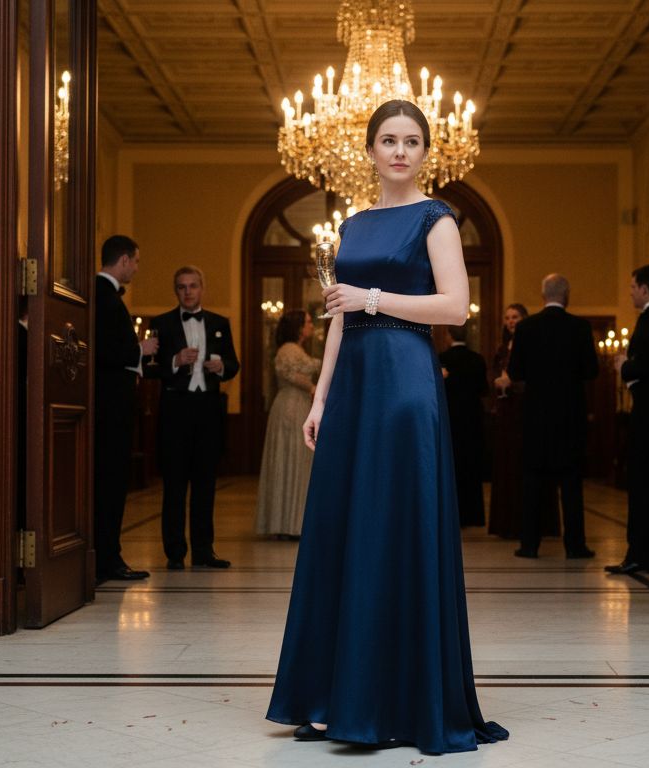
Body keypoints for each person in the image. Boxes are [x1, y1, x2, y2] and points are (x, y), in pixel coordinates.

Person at [266, 100, 508, 754]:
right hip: (353, 388)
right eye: (388, 140)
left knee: (391, 528)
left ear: (426, 152)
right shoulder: (352, 225)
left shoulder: (438, 220)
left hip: (404, 383)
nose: (400, 151)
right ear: (369, 150)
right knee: (343, 532)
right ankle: (329, 697)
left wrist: (374, 299)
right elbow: (339, 317)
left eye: (412, 141)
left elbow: (453, 305)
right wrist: (320, 398)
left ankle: (391, 701)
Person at [151, 266, 240, 570]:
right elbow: (151, 368)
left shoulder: (219, 323)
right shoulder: (161, 324)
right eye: (181, 287)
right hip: (175, 408)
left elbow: (233, 363)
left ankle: (204, 551)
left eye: (192, 286)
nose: (187, 292)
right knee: (174, 484)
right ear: (175, 291)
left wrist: (222, 367)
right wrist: (175, 361)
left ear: (203, 288)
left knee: (206, 482)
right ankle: (175, 552)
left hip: (209, 408)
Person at [506, 273, 599, 559]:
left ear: (543, 295)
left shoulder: (527, 328)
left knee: (532, 482)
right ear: (566, 295)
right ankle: (575, 545)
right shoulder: (581, 328)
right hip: (570, 416)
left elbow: (516, 372)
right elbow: (591, 371)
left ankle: (529, 544)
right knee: (571, 484)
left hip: (536, 415)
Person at [93, 235, 159, 582]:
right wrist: (141, 349)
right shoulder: (104, 297)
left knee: (112, 480)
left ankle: (107, 555)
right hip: (109, 407)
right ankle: (107, 558)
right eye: (135, 261)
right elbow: (104, 351)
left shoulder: (105, 296)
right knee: (109, 481)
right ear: (122, 260)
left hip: (112, 405)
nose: (135, 268)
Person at [487, 304, 560, 539]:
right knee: (506, 464)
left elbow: (537, 379)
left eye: (515, 317)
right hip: (506, 412)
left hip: (525, 411)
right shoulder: (501, 349)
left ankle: (531, 524)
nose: (510, 321)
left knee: (526, 465)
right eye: (507, 317)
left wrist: (513, 383)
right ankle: (507, 523)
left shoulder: (533, 344)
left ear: (524, 318)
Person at [607, 265, 649, 575]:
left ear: (644, 289)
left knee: (641, 483)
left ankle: (640, 552)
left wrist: (625, 367)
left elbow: (646, 365)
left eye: (632, 286)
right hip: (648, 410)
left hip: (646, 415)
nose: (629, 292)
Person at [255, 310, 320, 539]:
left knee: (296, 463)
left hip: (296, 405)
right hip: (291, 408)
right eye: (308, 322)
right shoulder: (289, 349)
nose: (311, 326)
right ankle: (289, 524)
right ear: (298, 327)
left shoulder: (296, 349)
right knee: (290, 460)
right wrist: (312, 388)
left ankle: (293, 522)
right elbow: (291, 374)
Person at [439, 324, 488, 527]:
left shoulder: (442, 359)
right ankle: (473, 515)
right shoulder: (477, 359)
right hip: (473, 420)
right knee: (472, 468)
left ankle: (452, 515)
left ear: (449, 336)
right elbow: (484, 389)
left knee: (452, 467)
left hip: (450, 419)